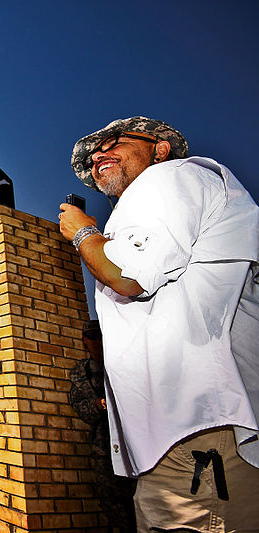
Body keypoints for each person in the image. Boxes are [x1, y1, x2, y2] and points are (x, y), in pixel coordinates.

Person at [59, 116, 259, 531]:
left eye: (114, 142)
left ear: (159, 148)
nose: (99, 154)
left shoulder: (169, 178)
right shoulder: (162, 210)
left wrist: (84, 234)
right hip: (190, 436)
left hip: (200, 429)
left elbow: (124, 274)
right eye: (94, 153)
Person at [69, 320, 136, 532]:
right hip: (104, 449)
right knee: (112, 503)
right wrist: (97, 405)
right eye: (91, 337)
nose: (96, 342)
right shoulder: (82, 373)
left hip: (134, 445)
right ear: (85, 341)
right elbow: (79, 405)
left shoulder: (124, 365)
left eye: (99, 336)